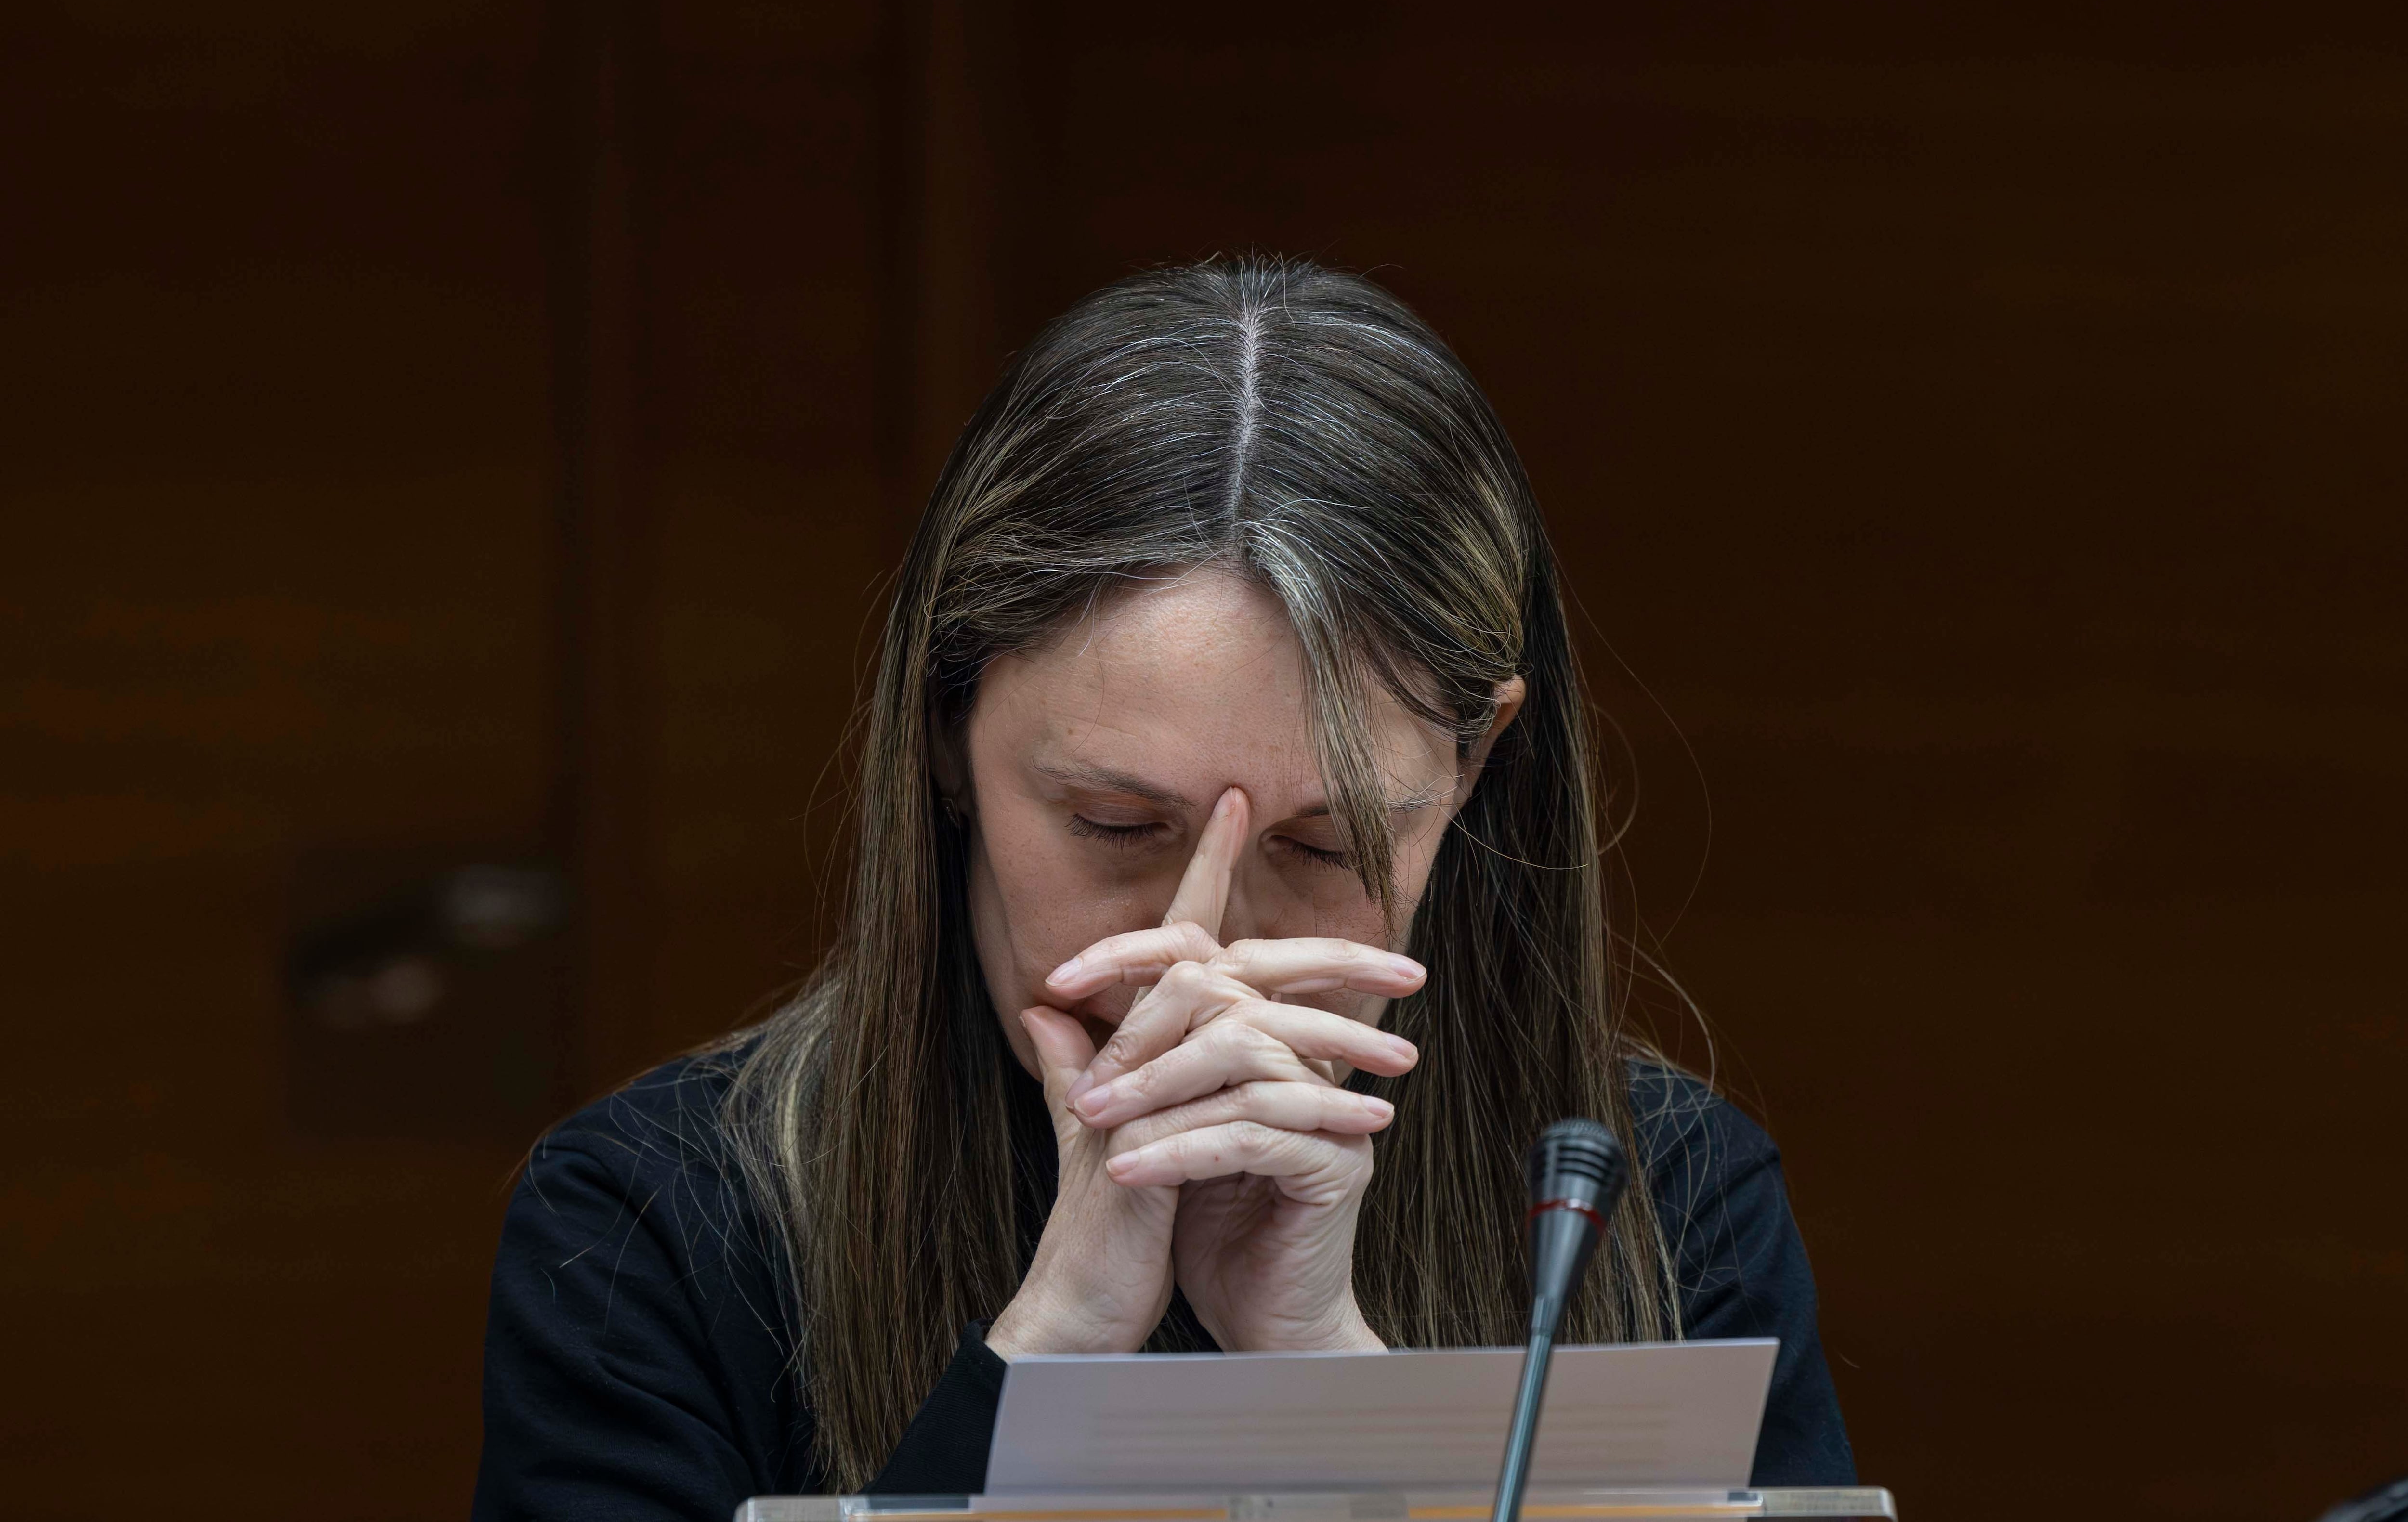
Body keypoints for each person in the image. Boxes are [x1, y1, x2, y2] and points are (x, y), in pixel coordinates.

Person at [471, 258, 1855, 1520]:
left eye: (1328, 849)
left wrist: (1331, 1380)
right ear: (948, 737)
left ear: (1479, 763)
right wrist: (1055, 1346)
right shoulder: (650, 1229)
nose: (1207, 946)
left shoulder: (1659, 1205)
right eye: (1117, 824)